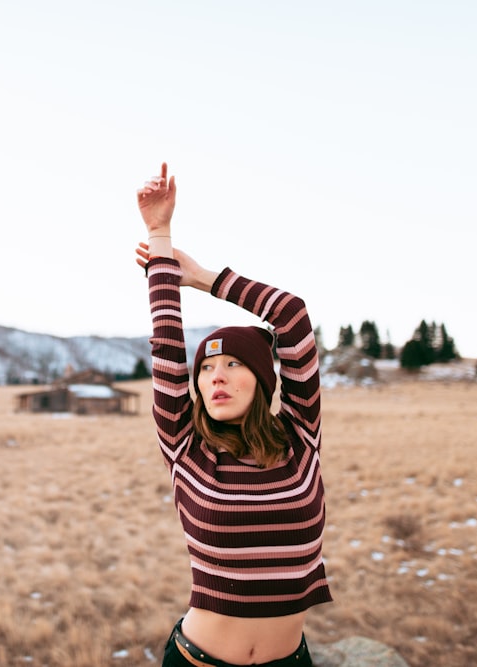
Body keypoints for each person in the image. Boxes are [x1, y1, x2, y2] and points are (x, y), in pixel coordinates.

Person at [136, 163, 331, 667]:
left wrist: (201, 277)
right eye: (208, 369)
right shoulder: (185, 446)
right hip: (199, 661)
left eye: (234, 364)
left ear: (265, 379)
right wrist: (159, 235)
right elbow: (166, 339)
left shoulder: (300, 439)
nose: (216, 376)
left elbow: (290, 314)